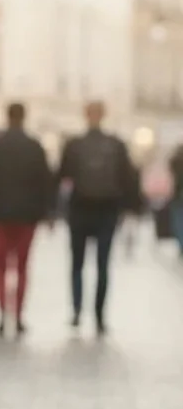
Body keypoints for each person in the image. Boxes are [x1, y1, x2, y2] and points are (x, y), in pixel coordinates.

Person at [0, 103, 54, 338]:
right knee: (21, 266)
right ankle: (18, 315)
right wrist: (49, 213)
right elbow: (47, 182)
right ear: (24, 117)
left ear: (6, 117)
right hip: (27, 216)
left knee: (0, 266)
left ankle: (2, 312)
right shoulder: (35, 147)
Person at [58, 101, 135, 335]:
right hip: (106, 210)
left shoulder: (74, 145)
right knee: (103, 264)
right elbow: (129, 179)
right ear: (103, 115)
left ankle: (77, 311)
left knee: (77, 264)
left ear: (86, 115)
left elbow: (62, 175)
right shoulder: (116, 145)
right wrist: (128, 208)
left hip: (80, 209)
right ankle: (100, 316)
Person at [171, 144, 183, 257]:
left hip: (178, 195)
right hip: (178, 195)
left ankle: (181, 244)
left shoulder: (176, 159)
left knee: (179, 221)